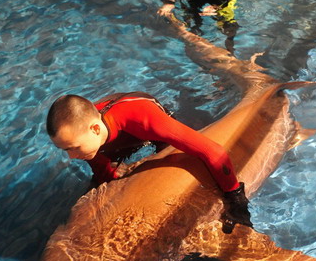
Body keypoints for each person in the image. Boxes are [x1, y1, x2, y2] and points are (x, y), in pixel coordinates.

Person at [46, 91, 252, 233]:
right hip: (112, 139)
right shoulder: (87, 141)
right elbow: (106, 178)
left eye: (72, 148)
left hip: (148, 130)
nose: (71, 157)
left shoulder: (143, 119)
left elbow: (215, 152)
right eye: (65, 150)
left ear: (95, 129)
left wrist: (235, 198)